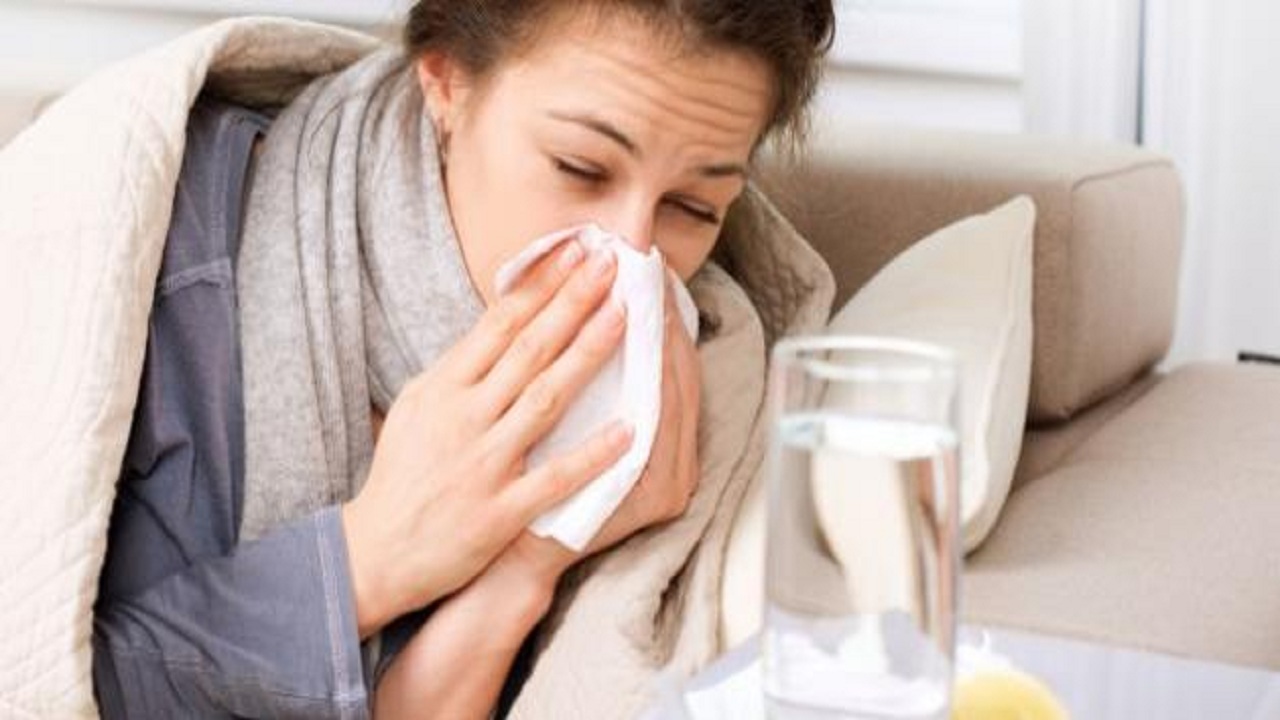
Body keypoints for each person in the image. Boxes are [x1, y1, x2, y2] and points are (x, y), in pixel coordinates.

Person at [90, 1, 835, 718]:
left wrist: (525, 565)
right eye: (580, 167)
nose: (629, 252)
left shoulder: (708, 385)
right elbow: (57, 689)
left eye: (694, 208)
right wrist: (366, 561)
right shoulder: (154, 252)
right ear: (446, 83)